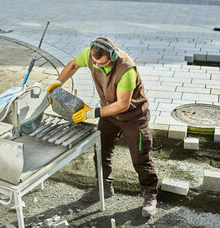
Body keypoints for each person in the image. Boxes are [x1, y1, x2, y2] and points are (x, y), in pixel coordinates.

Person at [47, 37, 158, 217]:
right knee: (101, 151)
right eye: (94, 62)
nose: (97, 66)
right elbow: (74, 65)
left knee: (140, 157)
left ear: (112, 56)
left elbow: (122, 105)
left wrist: (92, 113)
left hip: (133, 116)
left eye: (102, 63)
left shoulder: (126, 69)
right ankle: (104, 187)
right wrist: (58, 83)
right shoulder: (92, 55)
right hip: (109, 114)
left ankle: (150, 195)